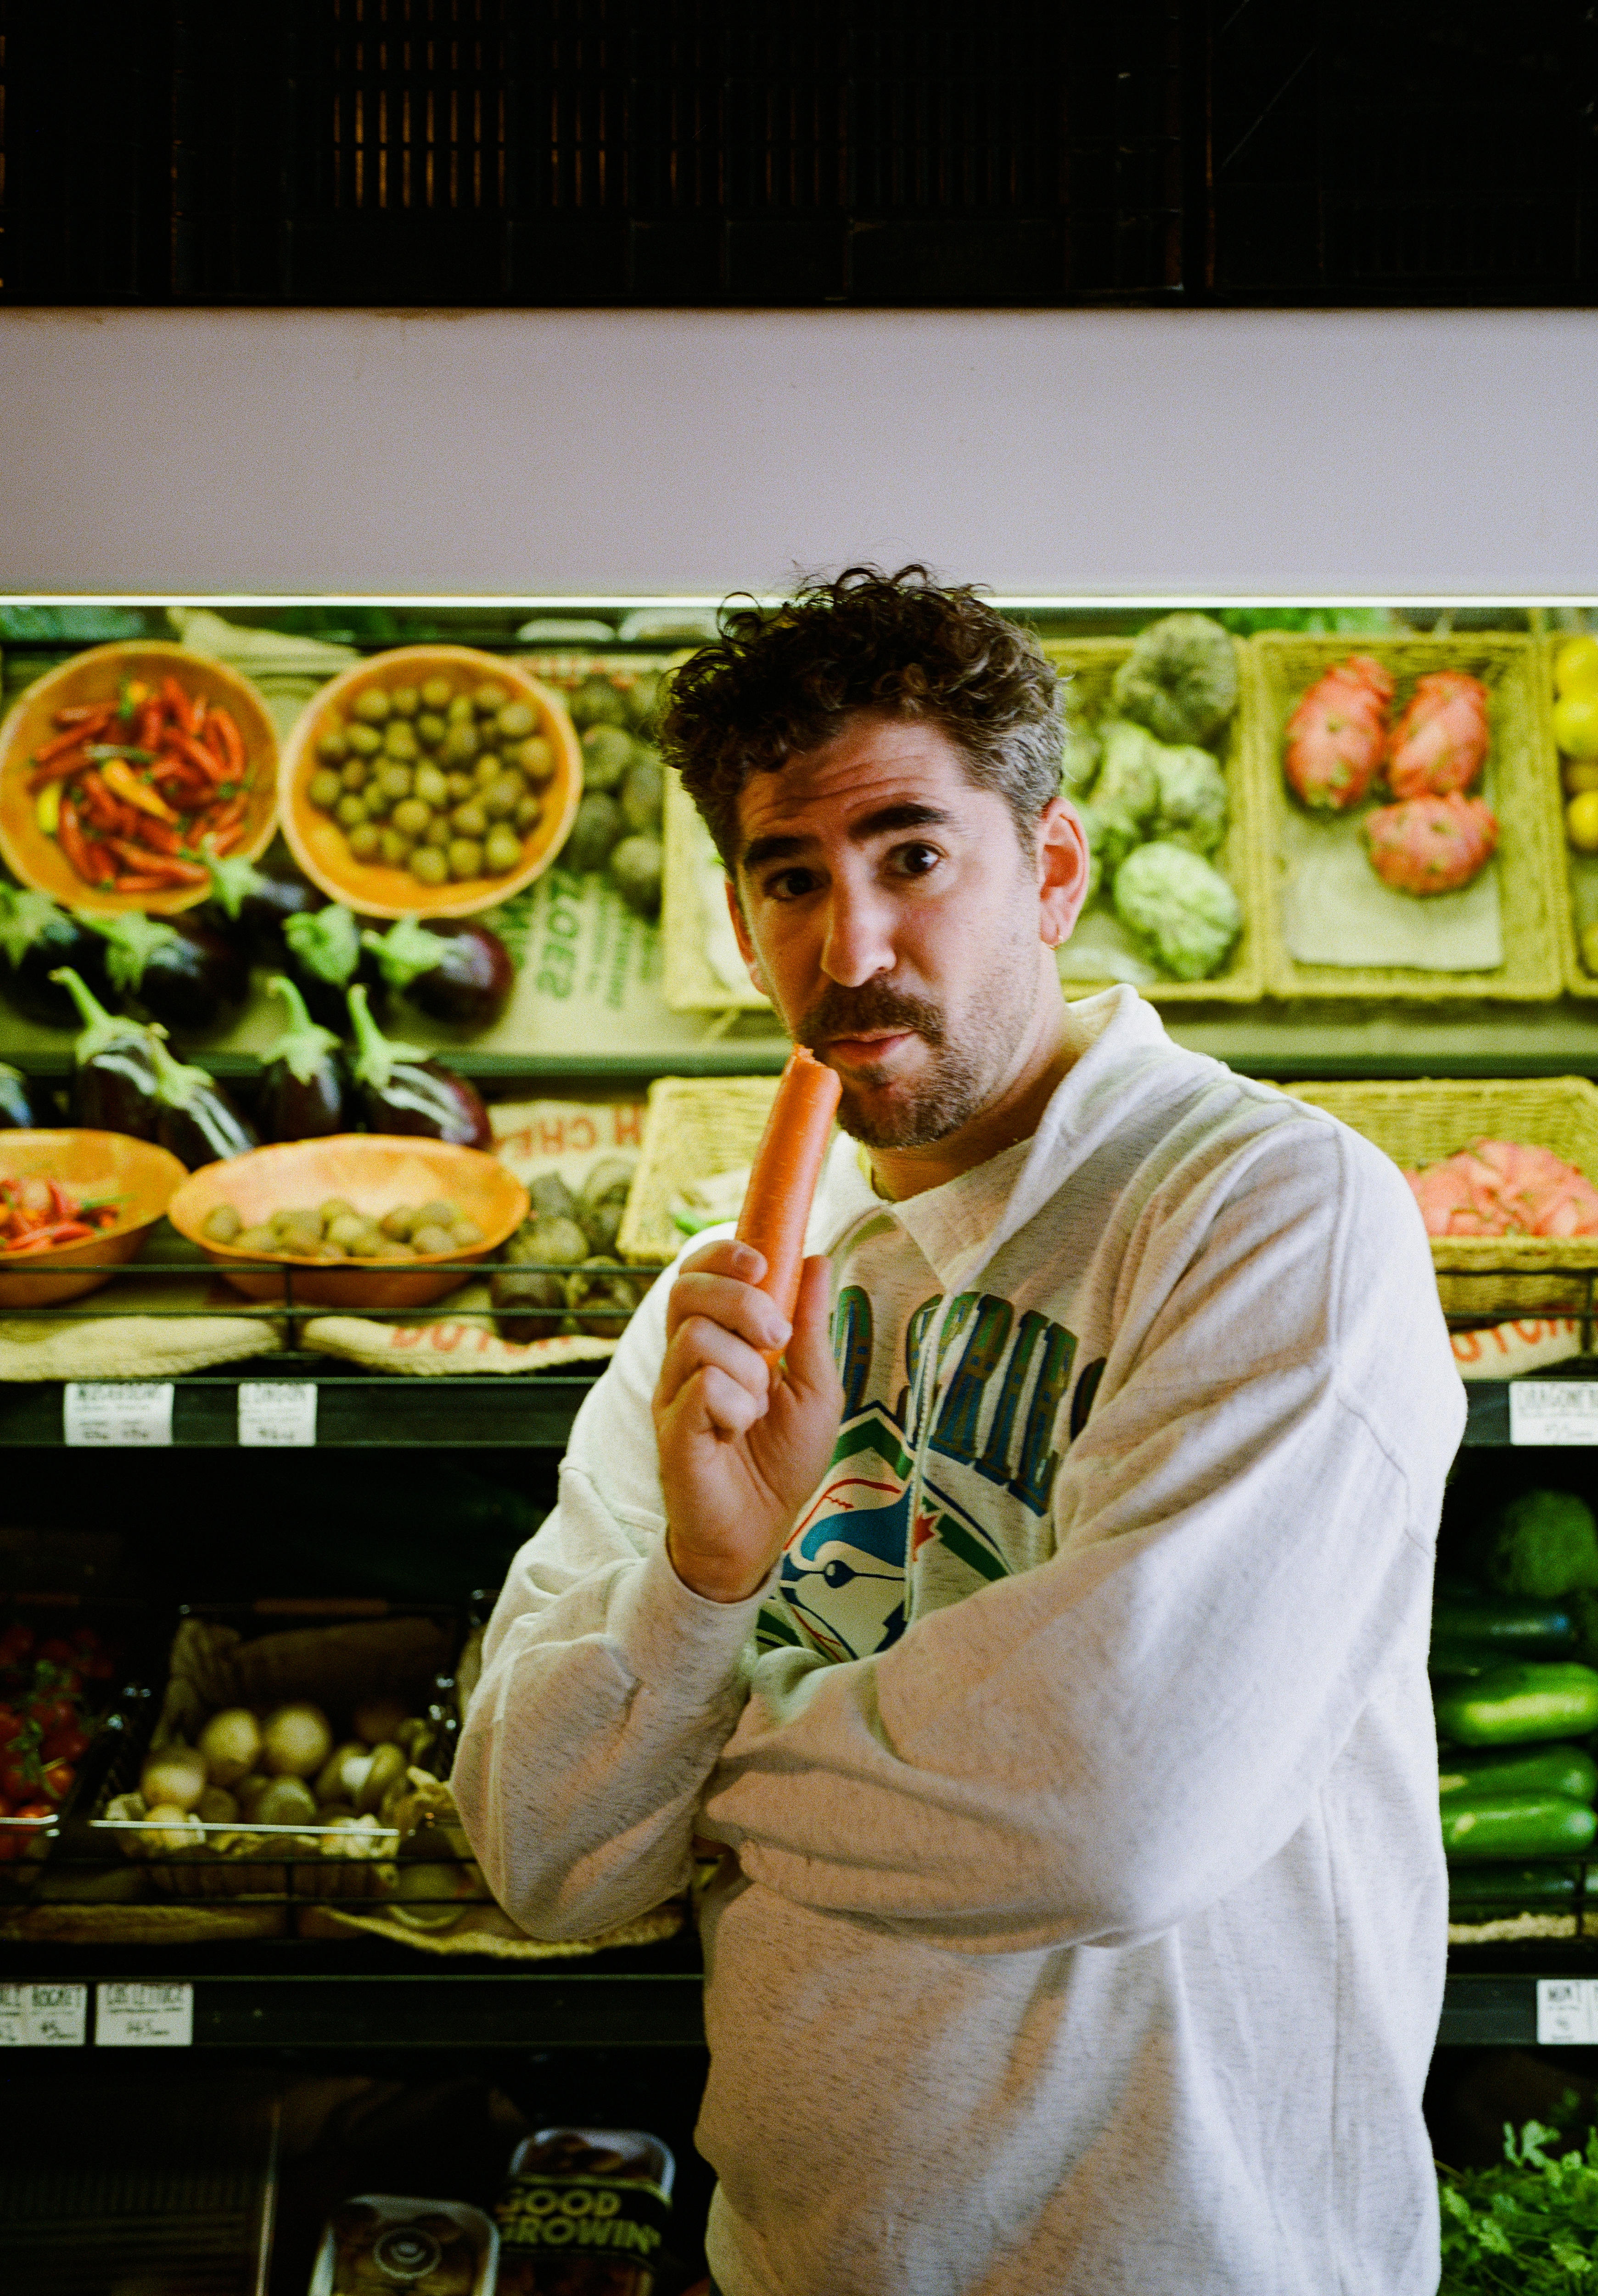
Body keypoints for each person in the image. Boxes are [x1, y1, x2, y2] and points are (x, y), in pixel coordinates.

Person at [454, 567, 1466, 2296]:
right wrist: (705, 1583)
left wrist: (704, 1784)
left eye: (913, 856)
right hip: (801, 2256)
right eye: (793, 877)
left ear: (1054, 870)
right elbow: (542, 1856)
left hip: (1195, 2263)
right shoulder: (727, 1297)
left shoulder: (1267, 1213)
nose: (850, 950)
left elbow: (1116, 1816)